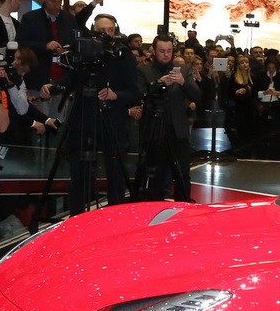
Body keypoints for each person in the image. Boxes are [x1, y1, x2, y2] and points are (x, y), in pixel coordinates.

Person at [63, 12, 141, 214]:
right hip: (84, 118)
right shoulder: (83, 52)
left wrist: (116, 95)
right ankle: (76, 218)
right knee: (79, 174)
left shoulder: (123, 55)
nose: (106, 34)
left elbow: (135, 91)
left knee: (116, 174)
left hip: (112, 119)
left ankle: (116, 217)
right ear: (92, 32)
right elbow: (70, 81)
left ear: (116, 31)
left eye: (110, 30)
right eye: (101, 30)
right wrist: (54, 87)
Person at [133, 34, 200, 200]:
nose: (166, 54)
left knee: (182, 174)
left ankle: (184, 208)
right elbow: (139, 95)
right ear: (154, 51)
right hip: (154, 130)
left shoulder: (183, 69)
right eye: (162, 51)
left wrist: (183, 82)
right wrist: (159, 84)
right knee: (155, 176)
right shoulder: (144, 70)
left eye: (169, 51)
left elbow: (197, 96)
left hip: (178, 130)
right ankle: (154, 209)